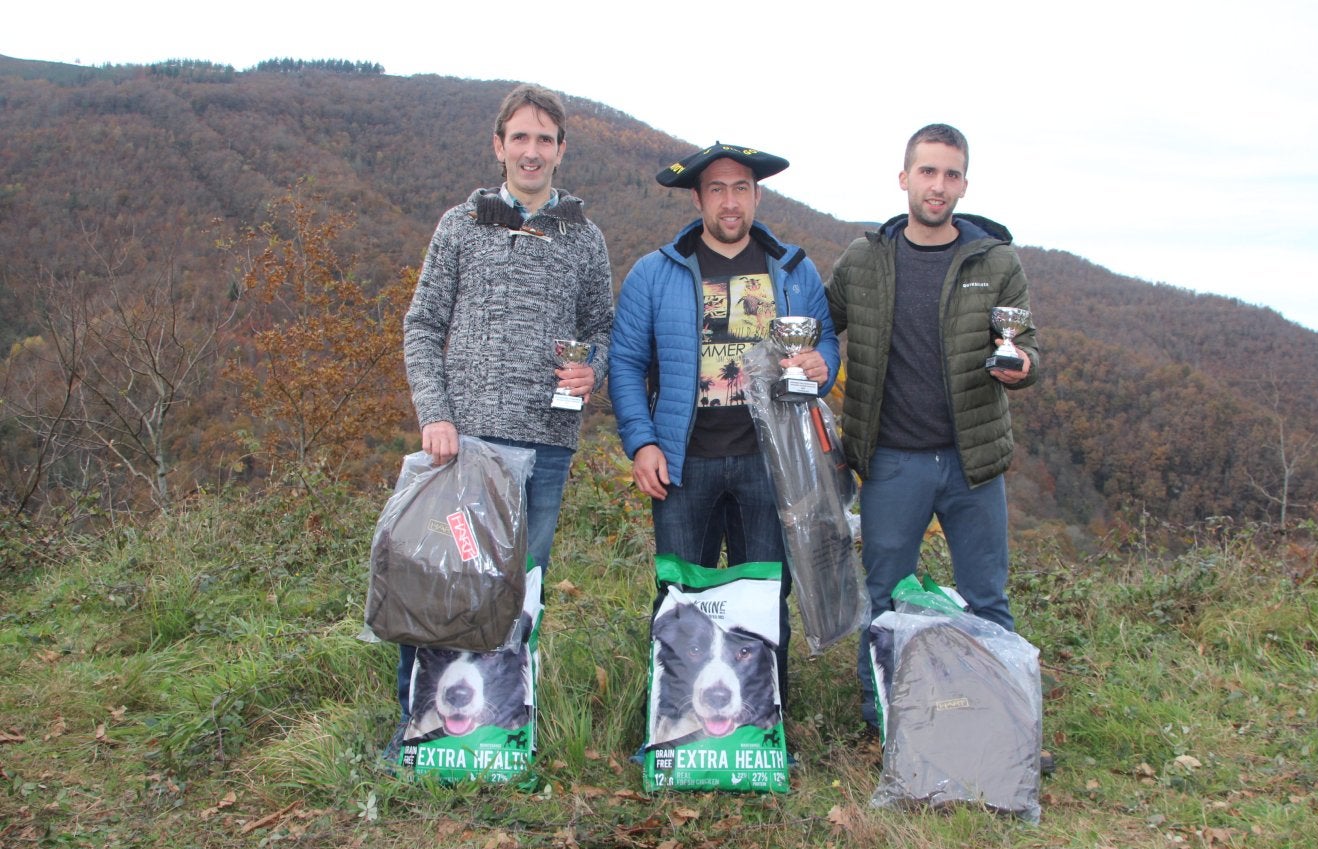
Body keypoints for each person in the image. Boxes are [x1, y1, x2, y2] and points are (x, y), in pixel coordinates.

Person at [393, 84, 614, 734]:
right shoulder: (459, 227)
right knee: (443, 580)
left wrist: (592, 366)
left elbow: (602, 325)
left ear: (561, 150)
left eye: (544, 139)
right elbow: (422, 325)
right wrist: (435, 413)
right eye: (520, 137)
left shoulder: (585, 238)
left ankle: (502, 724)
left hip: (545, 446)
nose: (532, 150)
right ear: (499, 145)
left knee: (523, 589)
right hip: (463, 446)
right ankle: (423, 722)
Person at [609, 142, 840, 717]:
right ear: (698, 197)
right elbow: (626, 364)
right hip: (686, 463)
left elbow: (825, 339)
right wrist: (641, 443)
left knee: (765, 600)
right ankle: (676, 722)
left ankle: (763, 723)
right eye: (717, 189)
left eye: (741, 189)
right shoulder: (654, 274)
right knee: (681, 598)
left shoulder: (793, 269)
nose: (730, 201)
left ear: (757, 195)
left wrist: (823, 365)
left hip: (773, 464)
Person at [825, 123, 1040, 732]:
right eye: (927, 172)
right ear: (904, 179)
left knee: (987, 600)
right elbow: (821, 322)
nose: (938, 185)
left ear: (964, 184)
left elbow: (1026, 347)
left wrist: (1021, 369)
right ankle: (885, 723)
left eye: (950, 174)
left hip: (973, 462)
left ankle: (1000, 725)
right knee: (886, 599)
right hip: (892, 461)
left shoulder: (995, 262)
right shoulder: (865, 260)